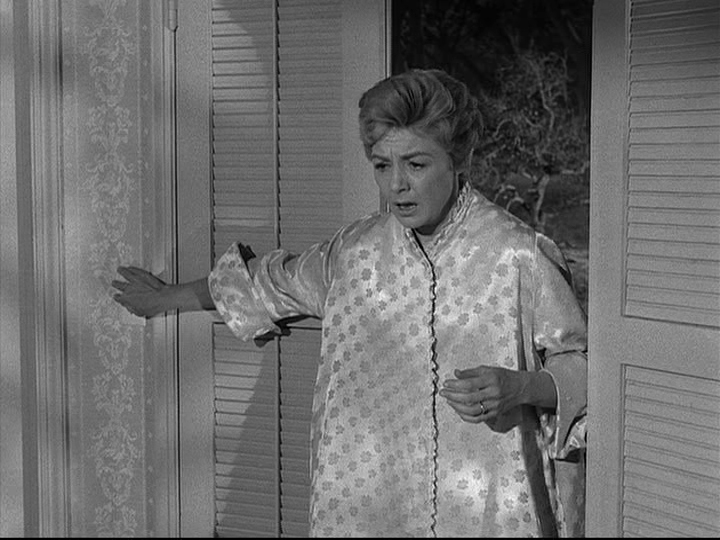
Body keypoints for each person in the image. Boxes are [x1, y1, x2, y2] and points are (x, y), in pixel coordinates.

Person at [112, 69, 587, 538]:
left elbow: (586, 373)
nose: (397, 185)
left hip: (486, 504)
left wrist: (521, 387)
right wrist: (164, 298)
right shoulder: (356, 252)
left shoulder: (518, 254)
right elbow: (266, 284)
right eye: (382, 166)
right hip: (368, 504)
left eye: (416, 165)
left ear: (458, 160)